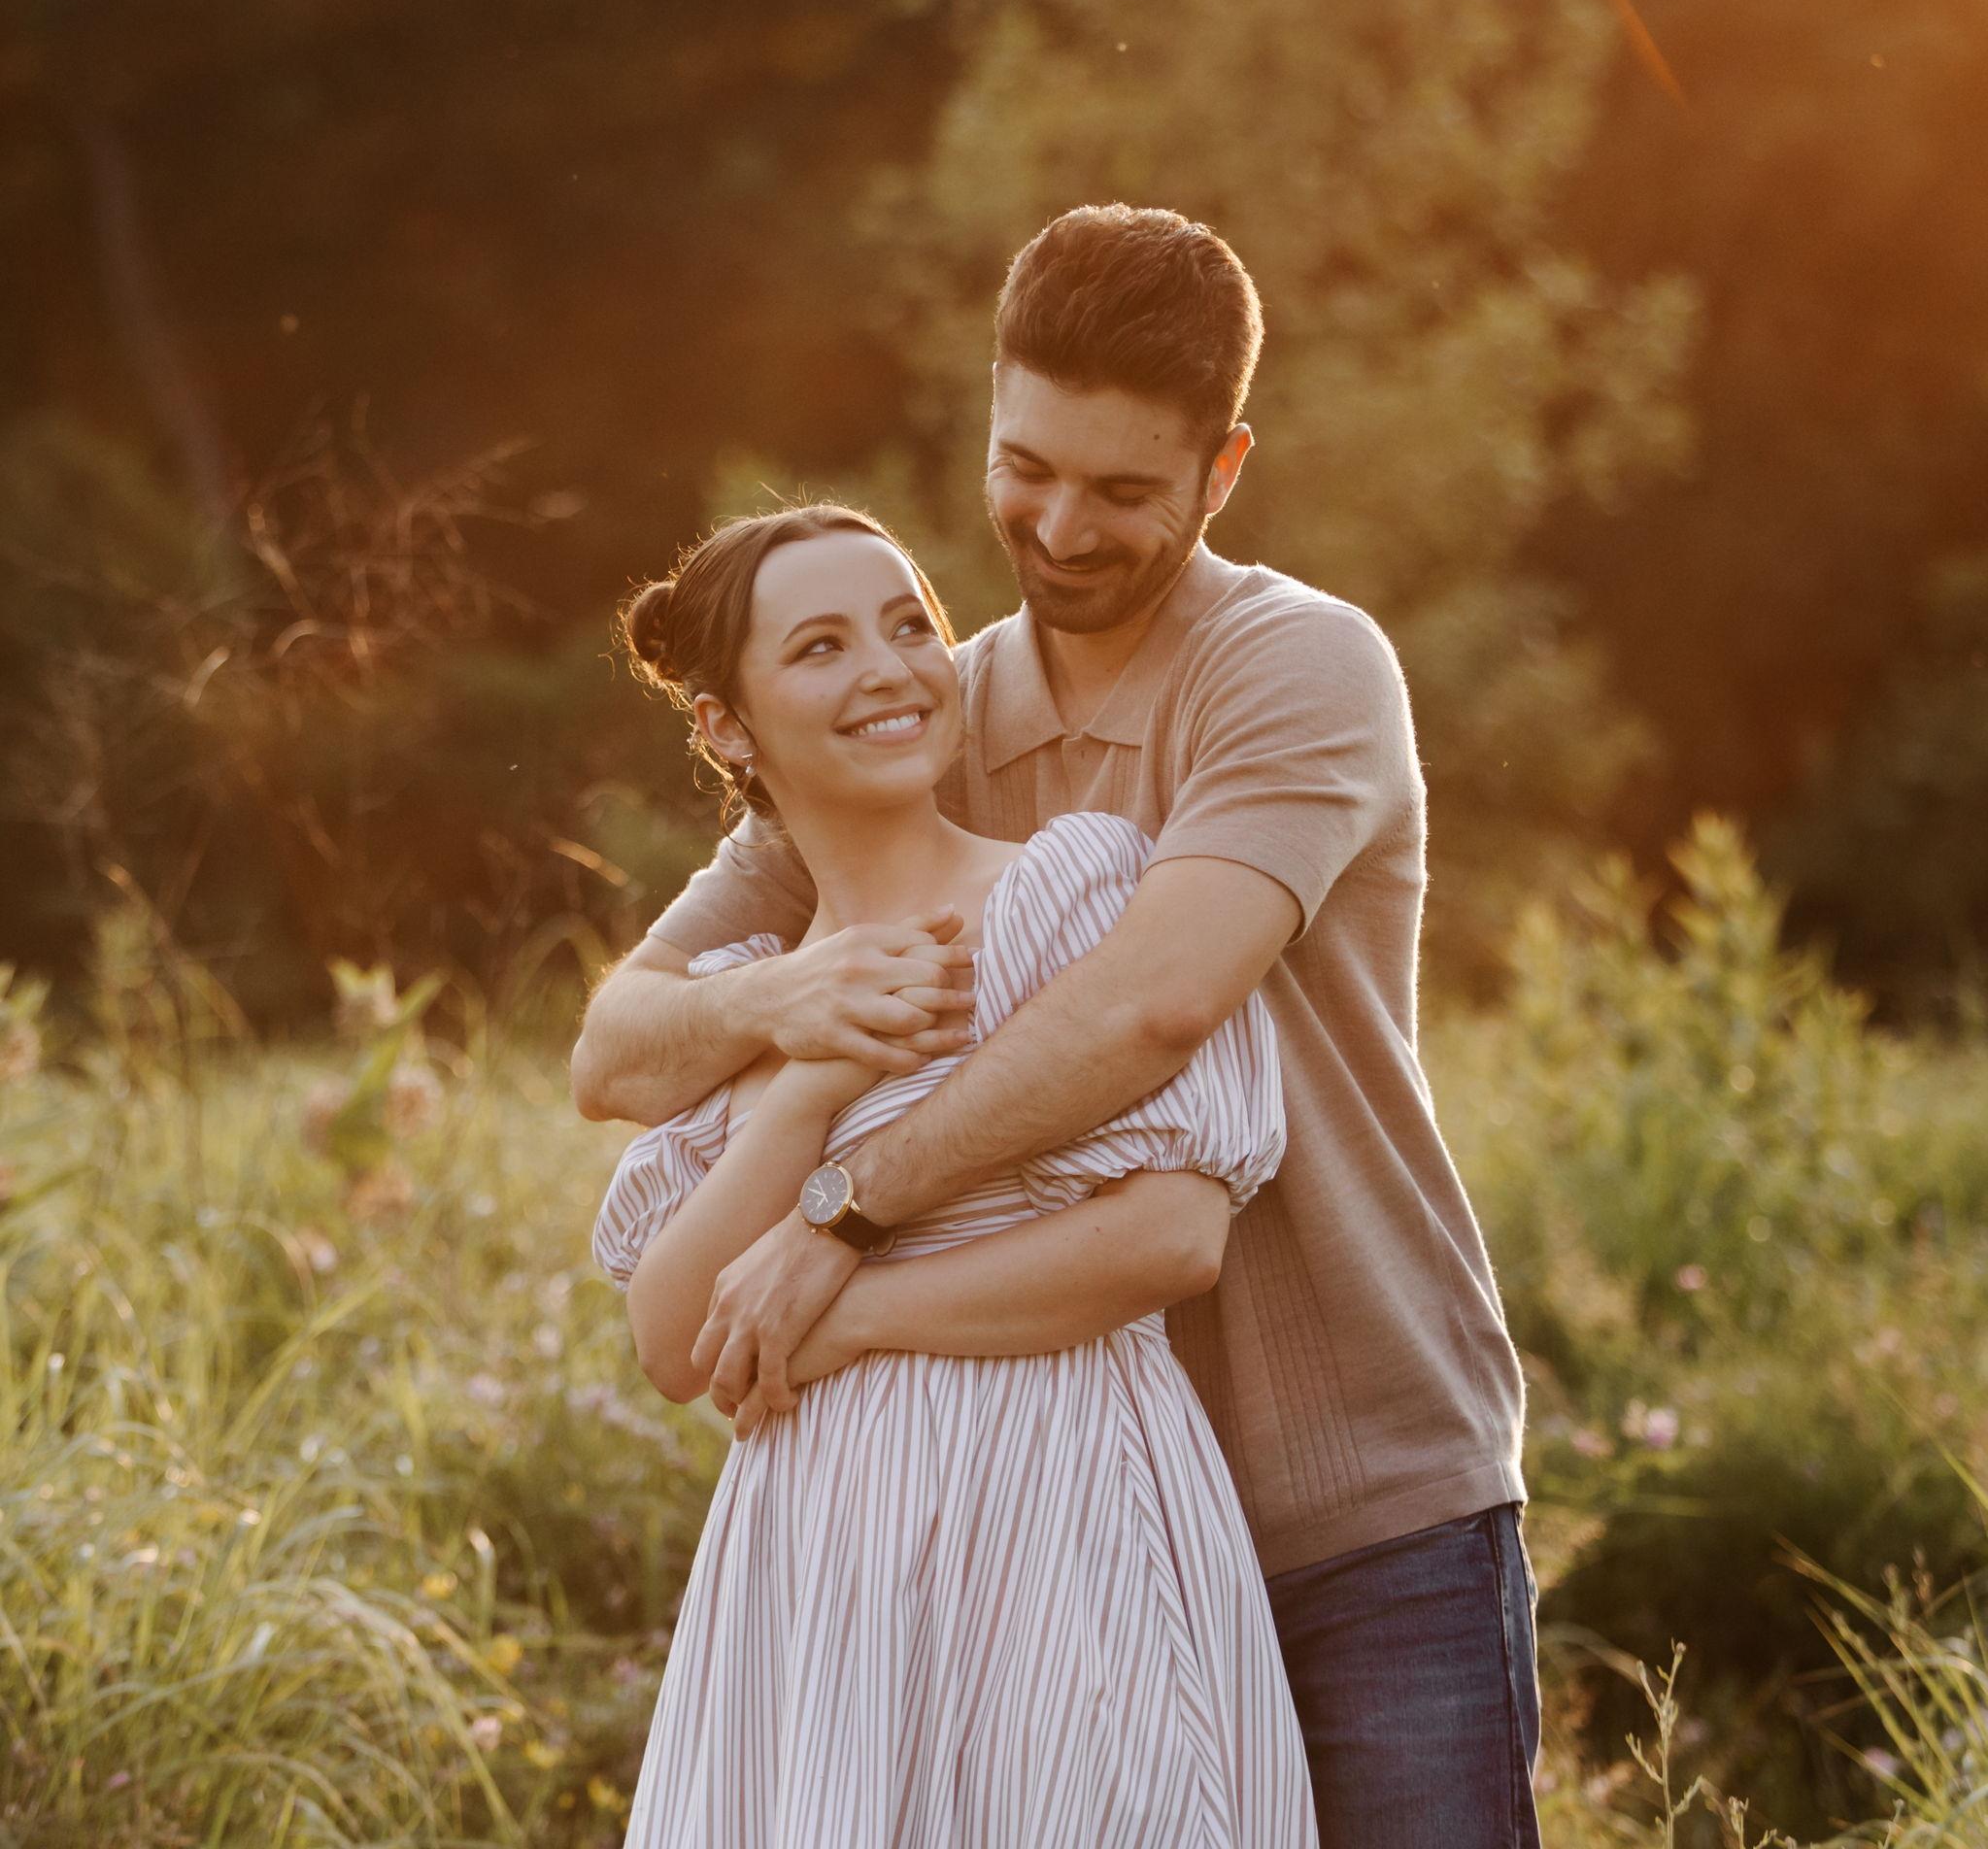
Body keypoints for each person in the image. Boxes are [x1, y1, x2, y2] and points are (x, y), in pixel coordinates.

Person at [576, 203, 1542, 1846]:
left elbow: (1151, 1004)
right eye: (1027, 467)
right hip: (1044, 1511)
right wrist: (795, 1009)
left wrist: (845, 1222)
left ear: (1223, 469)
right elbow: (621, 1045)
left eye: (1122, 490)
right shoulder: (928, 705)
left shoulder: (1293, 668)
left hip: (1351, 1500)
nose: (1060, 525)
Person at [590, 502, 1317, 1847]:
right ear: (725, 728)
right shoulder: (746, 998)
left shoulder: (1074, 896)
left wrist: (845, 1312)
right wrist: (810, 1072)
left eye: (910, 625)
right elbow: (675, 1342)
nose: (889, 668)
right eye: (819, 646)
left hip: (1060, 1507)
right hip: (819, 1556)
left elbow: (1169, 1241)